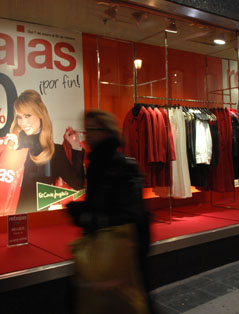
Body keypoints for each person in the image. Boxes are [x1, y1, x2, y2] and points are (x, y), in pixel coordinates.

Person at [67, 109, 152, 313]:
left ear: (105, 131)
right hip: (107, 248)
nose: (87, 135)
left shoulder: (118, 165)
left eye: (91, 130)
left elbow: (129, 213)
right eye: (86, 130)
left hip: (117, 251)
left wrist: (87, 217)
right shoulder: (98, 162)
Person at [8, 89, 85, 213]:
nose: (23, 122)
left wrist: (76, 148)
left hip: (38, 222)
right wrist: (13, 147)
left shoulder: (54, 152)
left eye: (28, 115)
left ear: (40, 114)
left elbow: (77, 184)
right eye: (19, 117)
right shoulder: (13, 147)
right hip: (8, 218)